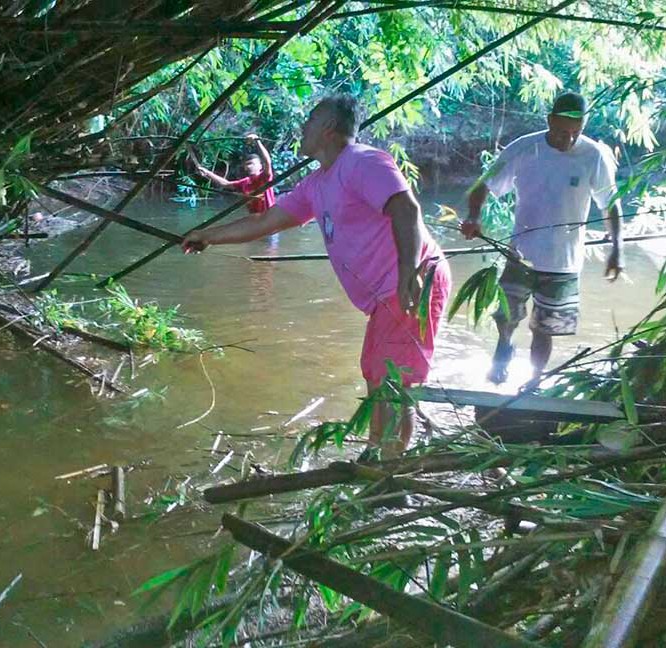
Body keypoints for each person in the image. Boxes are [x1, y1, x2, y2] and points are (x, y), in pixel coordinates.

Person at [182, 96, 451, 455]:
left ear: (327, 127)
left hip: (412, 280)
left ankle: (388, 472)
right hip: (385, 295)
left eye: (309, 120)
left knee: (391, 382)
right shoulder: (317, 183)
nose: (302, 128)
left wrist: (408, 273)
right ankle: (379, 458)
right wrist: (208, 236)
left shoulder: (363, 162)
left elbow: (406, 208)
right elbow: (265, 221)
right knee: (377, 376)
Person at [460, 92, 623, 384]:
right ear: (549, 121)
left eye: (576, 133)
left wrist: (616, 249)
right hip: (521, 254)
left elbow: (611, 203)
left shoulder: (593, 156)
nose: (568, 140)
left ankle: (534, 380)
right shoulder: (524, 148)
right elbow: (482, 186)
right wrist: (473, 216)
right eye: (562, 132)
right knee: (506, 317)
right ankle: (504, 345)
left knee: (545, 328)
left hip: (564, 261)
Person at [195, 134, 276, 214]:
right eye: (247, 164)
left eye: (252, 163)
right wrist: (206, 172)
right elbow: (225, 184)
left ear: (260, 166)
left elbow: (267, 161)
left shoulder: (264, 177)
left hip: (269, 216)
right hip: (255, 218)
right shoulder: (245, 182)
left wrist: (257, 141)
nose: (249, 166)